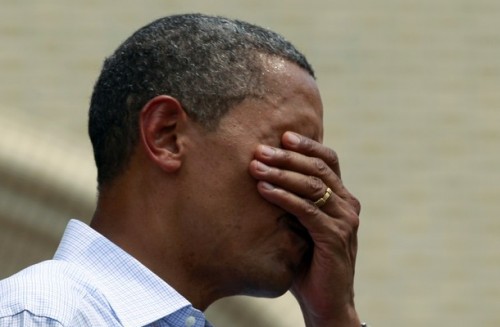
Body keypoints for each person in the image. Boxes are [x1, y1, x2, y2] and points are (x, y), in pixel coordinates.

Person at [0, 13, 364, 326]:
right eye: (288, 153)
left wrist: (334, 317)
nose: (316, 196)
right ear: (167, 135)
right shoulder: (43, 316)